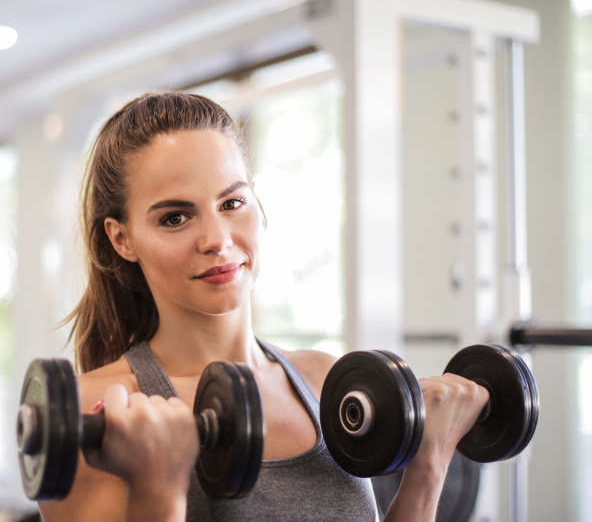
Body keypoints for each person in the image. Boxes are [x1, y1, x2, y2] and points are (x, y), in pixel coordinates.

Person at [37, 92, 489, 522]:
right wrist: (159, 486)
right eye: (175, 217)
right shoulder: (91, 413)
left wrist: (429, 463)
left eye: (232, 202)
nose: (217, 239)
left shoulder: (327, 381)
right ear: (123, 238)